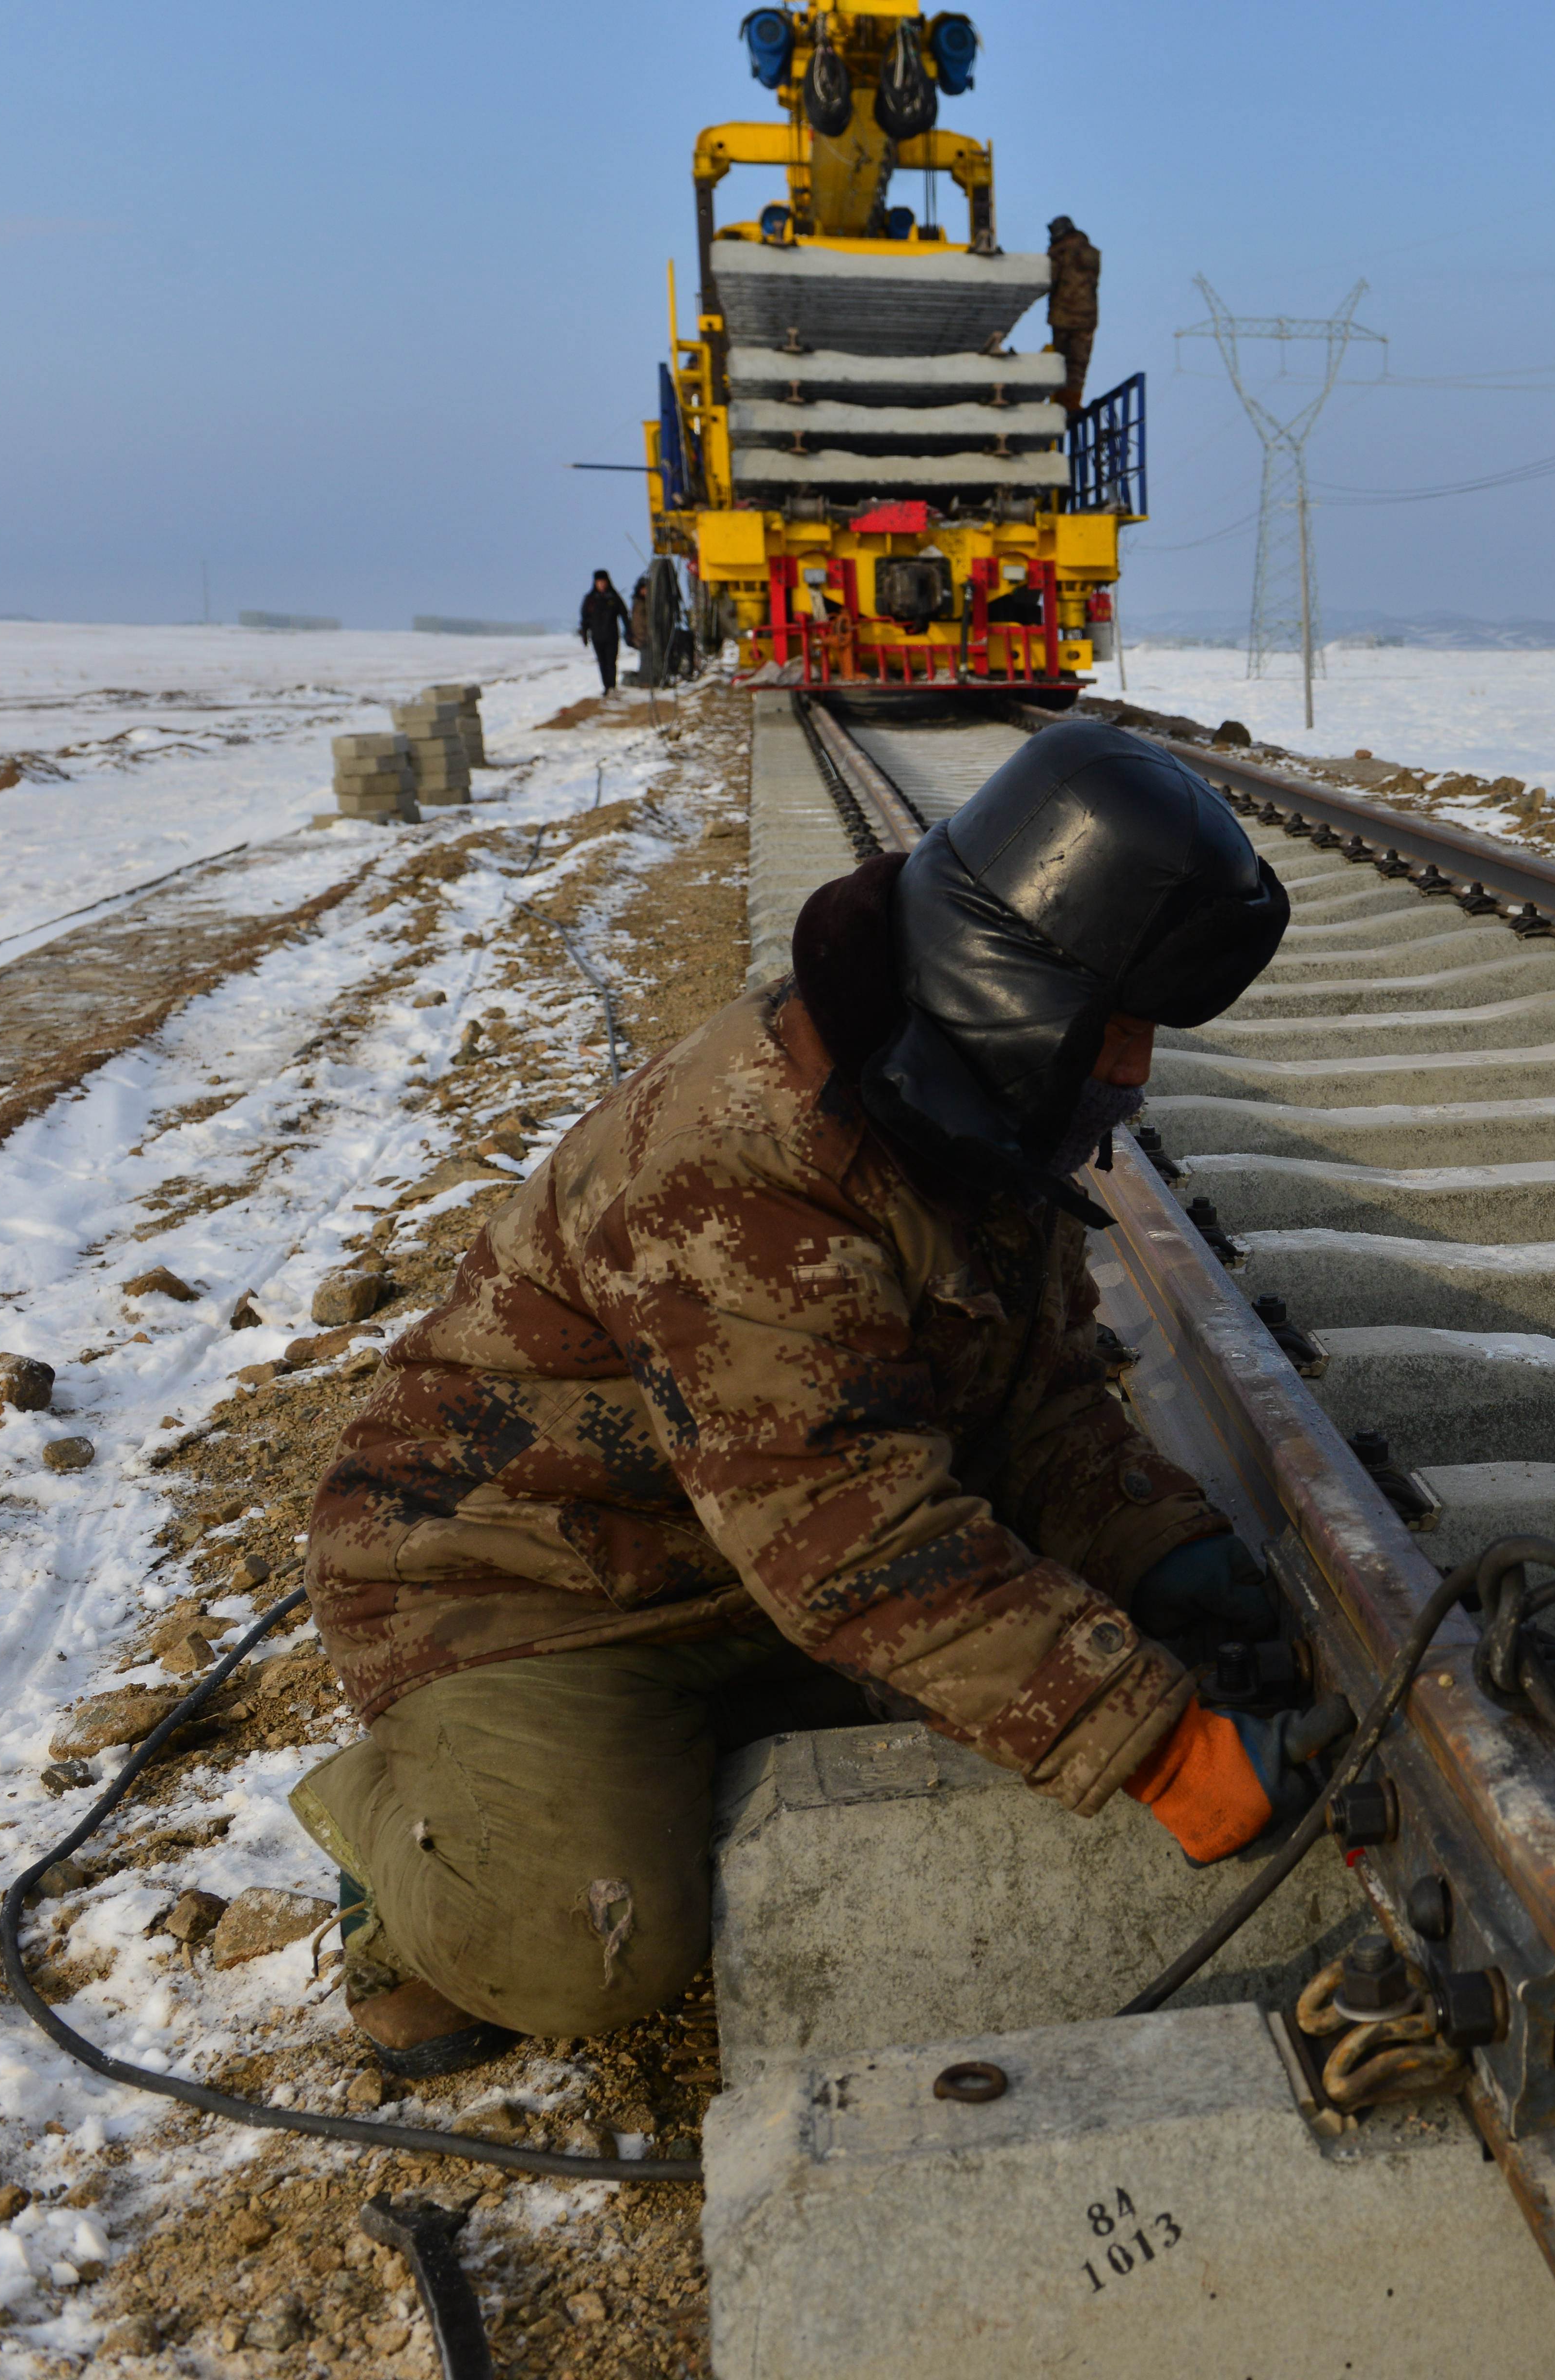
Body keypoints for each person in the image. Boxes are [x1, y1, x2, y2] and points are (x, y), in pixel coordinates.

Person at [292, 721, 1335, 2075]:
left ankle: (679, 1740)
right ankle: (398, 1834)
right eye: (1119, 1029)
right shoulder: (744, 1156)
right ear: (1014, 987)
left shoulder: (962, 1106)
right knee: (588, 1946)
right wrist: (1159, 1749)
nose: (1133, 1071)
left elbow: (1039, 1402)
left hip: (740, 1551)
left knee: (1042, 1672)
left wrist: (1165, 1546)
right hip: (530, 1586)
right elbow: (850, 1533)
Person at [1045, 215, 1100, 412]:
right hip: (1087, 317)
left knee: (1061, 361)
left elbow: (1049, 279)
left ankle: (1062, 402)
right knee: (1079, 364)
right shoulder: (1091, 253)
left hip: (1063, 316)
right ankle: (1073, 402)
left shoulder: (1059, 253)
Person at [577, 568, 627, 696]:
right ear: (595, 583)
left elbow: (625, 615)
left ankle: (612, 686)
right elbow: (585, 619)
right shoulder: (590, 599)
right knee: (602, 662)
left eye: (603, 582)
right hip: (597, 637)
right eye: (599, 582)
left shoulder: (614, 597)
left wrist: (629, 632)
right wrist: (584, 635)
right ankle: (606, 687)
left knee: (612, 662)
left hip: (612, 636)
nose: (602, 585)